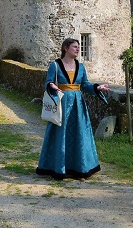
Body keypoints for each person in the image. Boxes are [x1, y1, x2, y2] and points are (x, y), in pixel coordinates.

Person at [36, 38, 110, 180]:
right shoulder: (55, 65)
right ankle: (58, 168)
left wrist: (97, 87)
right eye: (75, 47)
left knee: (78, 134)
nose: (77, 49)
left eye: (78, 47)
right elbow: (48, 82)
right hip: (62, 104)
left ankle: (79, 169)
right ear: (66, 48)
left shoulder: (80, 67)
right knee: (60, 135)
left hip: (78, 105)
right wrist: (51, 86)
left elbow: (85, 85)